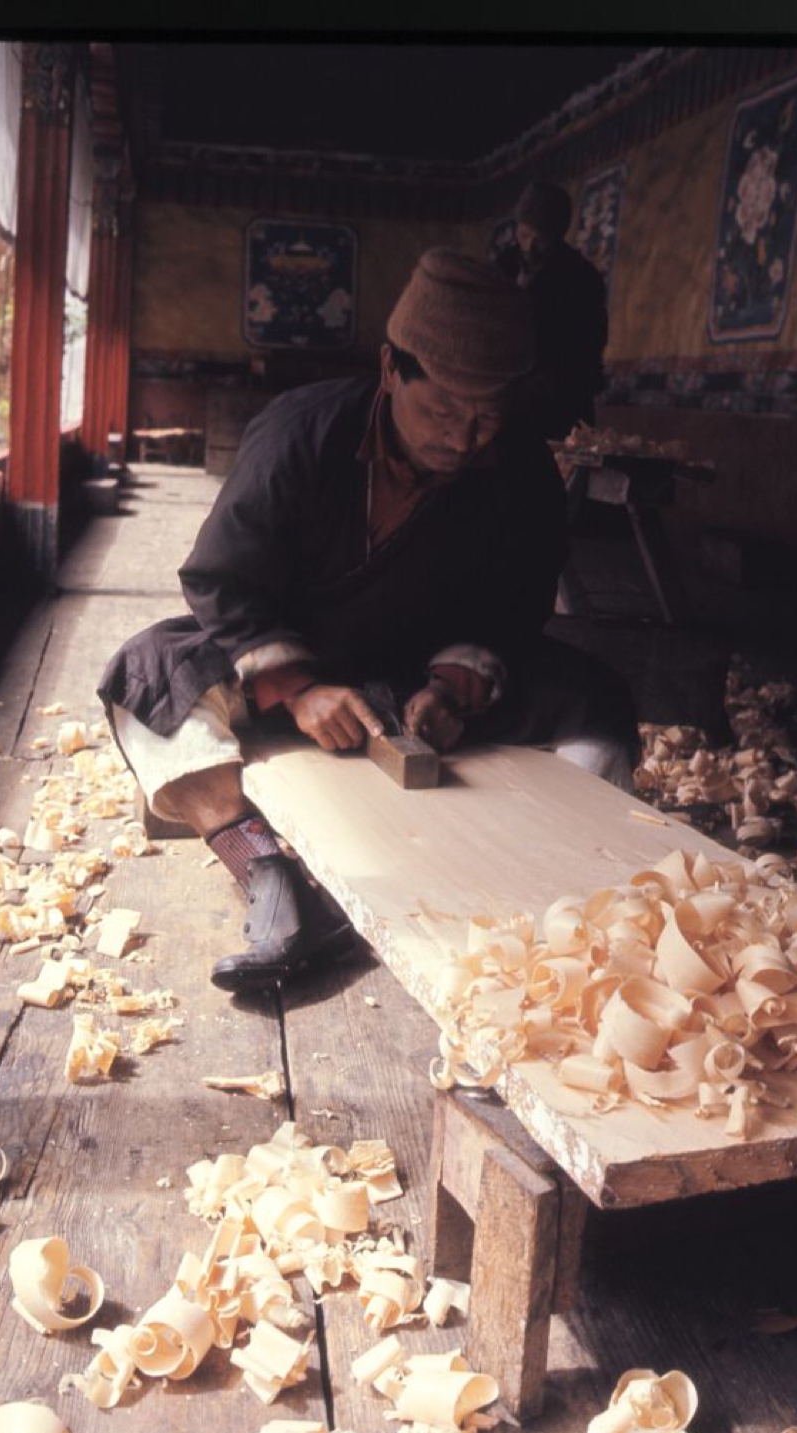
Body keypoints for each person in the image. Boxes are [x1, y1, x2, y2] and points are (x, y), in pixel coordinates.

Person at [98, 248, 637, 997]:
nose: (463, 437)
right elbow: (220, 578)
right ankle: (272, 878)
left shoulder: (522, 474)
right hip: (293, 655)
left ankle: (558, 893)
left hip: (413, 669)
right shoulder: (301, 433)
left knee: (598, 702)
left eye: (487, 416)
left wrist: (452, 686)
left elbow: (515, 608)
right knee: (146, 677)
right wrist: (300, 686)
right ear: (391, 369)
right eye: (442, 409)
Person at [497, 181, 609, 440]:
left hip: (559, 406)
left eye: (543, 240)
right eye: (525, 236)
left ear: (558, 236)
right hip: (503, 399)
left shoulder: (582, 279)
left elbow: (589, 347)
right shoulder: (502, 268)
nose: (531, 247)